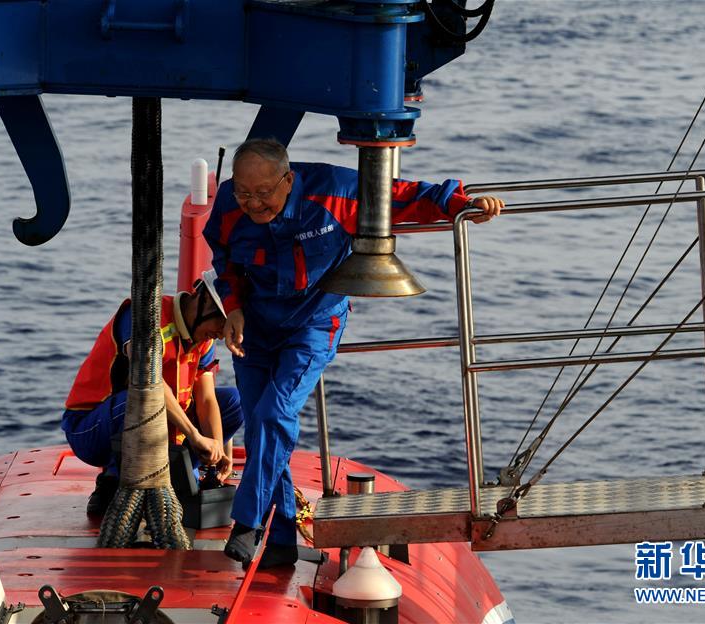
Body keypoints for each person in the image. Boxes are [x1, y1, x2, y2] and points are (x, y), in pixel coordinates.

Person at [204, 138, 504, 568]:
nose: (253, 203)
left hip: (314, 323)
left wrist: (465, 204)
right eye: (244, 193)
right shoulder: (230, 206)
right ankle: (283, 540)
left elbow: (404, 197)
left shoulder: (335, 192)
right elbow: (224, 260)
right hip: (255, 325)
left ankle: (249, 522)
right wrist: (231, 308)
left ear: (288, 180)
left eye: (264, 193)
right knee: (260, 426)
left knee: (274, 414)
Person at [61, 271, 243, 515]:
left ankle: (180, 474)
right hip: (92, 428)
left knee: (233, 402)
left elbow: (207, 399)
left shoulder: (204, 340)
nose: (222, 333)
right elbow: (150, 382)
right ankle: (112, 480)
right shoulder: (144, 317)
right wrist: (195, 436)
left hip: (161, 421)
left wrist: (216, 450)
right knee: (142, 398)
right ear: (204, 301)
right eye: (223, 322)